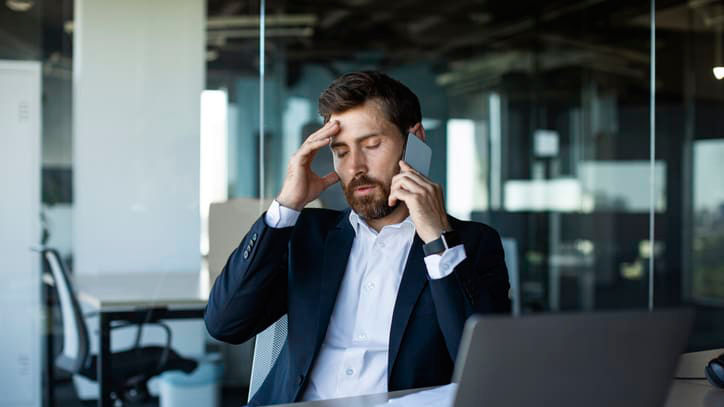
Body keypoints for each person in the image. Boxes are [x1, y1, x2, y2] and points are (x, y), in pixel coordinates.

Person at [204, 71, 511, 406]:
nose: (356, 166)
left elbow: (489, 367)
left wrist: (437, 239)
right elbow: (225, 324)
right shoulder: (308, 234)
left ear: (416, 141)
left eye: (372, 145)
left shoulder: (472, 244)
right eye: (341, 151)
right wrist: (286, 206)